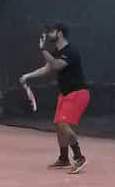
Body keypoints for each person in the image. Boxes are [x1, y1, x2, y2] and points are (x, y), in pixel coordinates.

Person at [21, 23, 89, 173]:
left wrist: (43, 50)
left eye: (52, 31)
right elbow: (47, 68)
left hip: (77, 93)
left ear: (60, 33)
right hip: (65, 94)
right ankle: (64, 158)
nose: (49, 34)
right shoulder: (57, 52)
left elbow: (57, 65)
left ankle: (79, 157)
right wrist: (28, 76)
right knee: (58, 126)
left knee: (63, 124)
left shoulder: (71, 51)